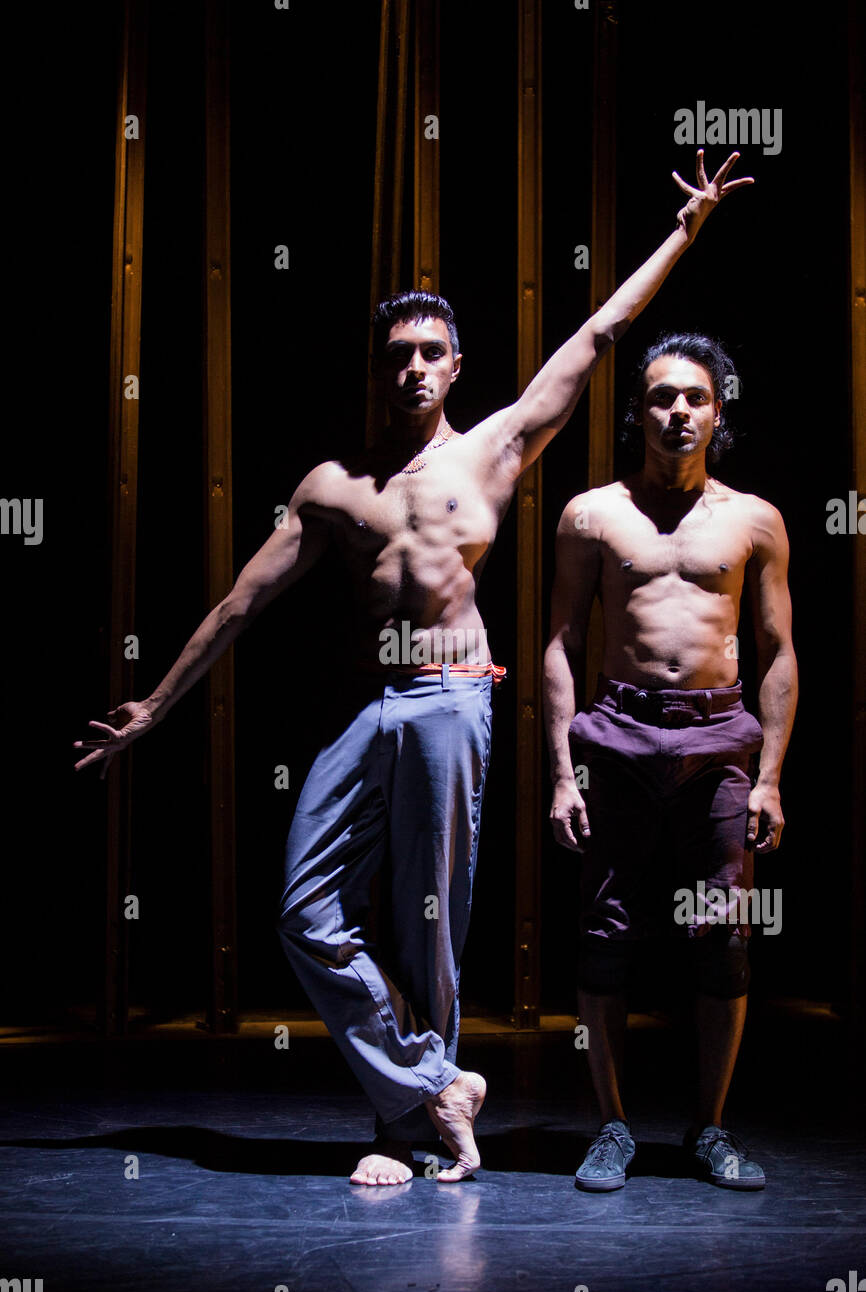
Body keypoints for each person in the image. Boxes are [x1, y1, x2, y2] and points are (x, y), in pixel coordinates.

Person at [75, 152, 753, 1186]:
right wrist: (155, 709)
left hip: (452, 699)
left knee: (426, 916)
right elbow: (237, 603)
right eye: (396, 353)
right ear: (377, 367)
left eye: (430, 352)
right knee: (305, 912)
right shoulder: (331, 489)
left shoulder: (491, 450)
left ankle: (415, 1126)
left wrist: (684, 231)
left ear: (455, 364)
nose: (413, 368)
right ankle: (435, 1081)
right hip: (366, 705)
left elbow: (598, 335)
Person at [543, 329, 797, 1192]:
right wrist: (557, 773)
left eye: (694, 398)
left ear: (717, 413)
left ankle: (711, 1128)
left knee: (721, 939)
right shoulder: (592, 514)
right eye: (660, 396)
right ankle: (611, 1127)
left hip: (718, 744)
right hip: (618, 737)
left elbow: (778, 651)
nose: (677, 411)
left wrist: (768, 777)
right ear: (637, 412)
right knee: (604, 939)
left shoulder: (753, 519)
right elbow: (560, 642)